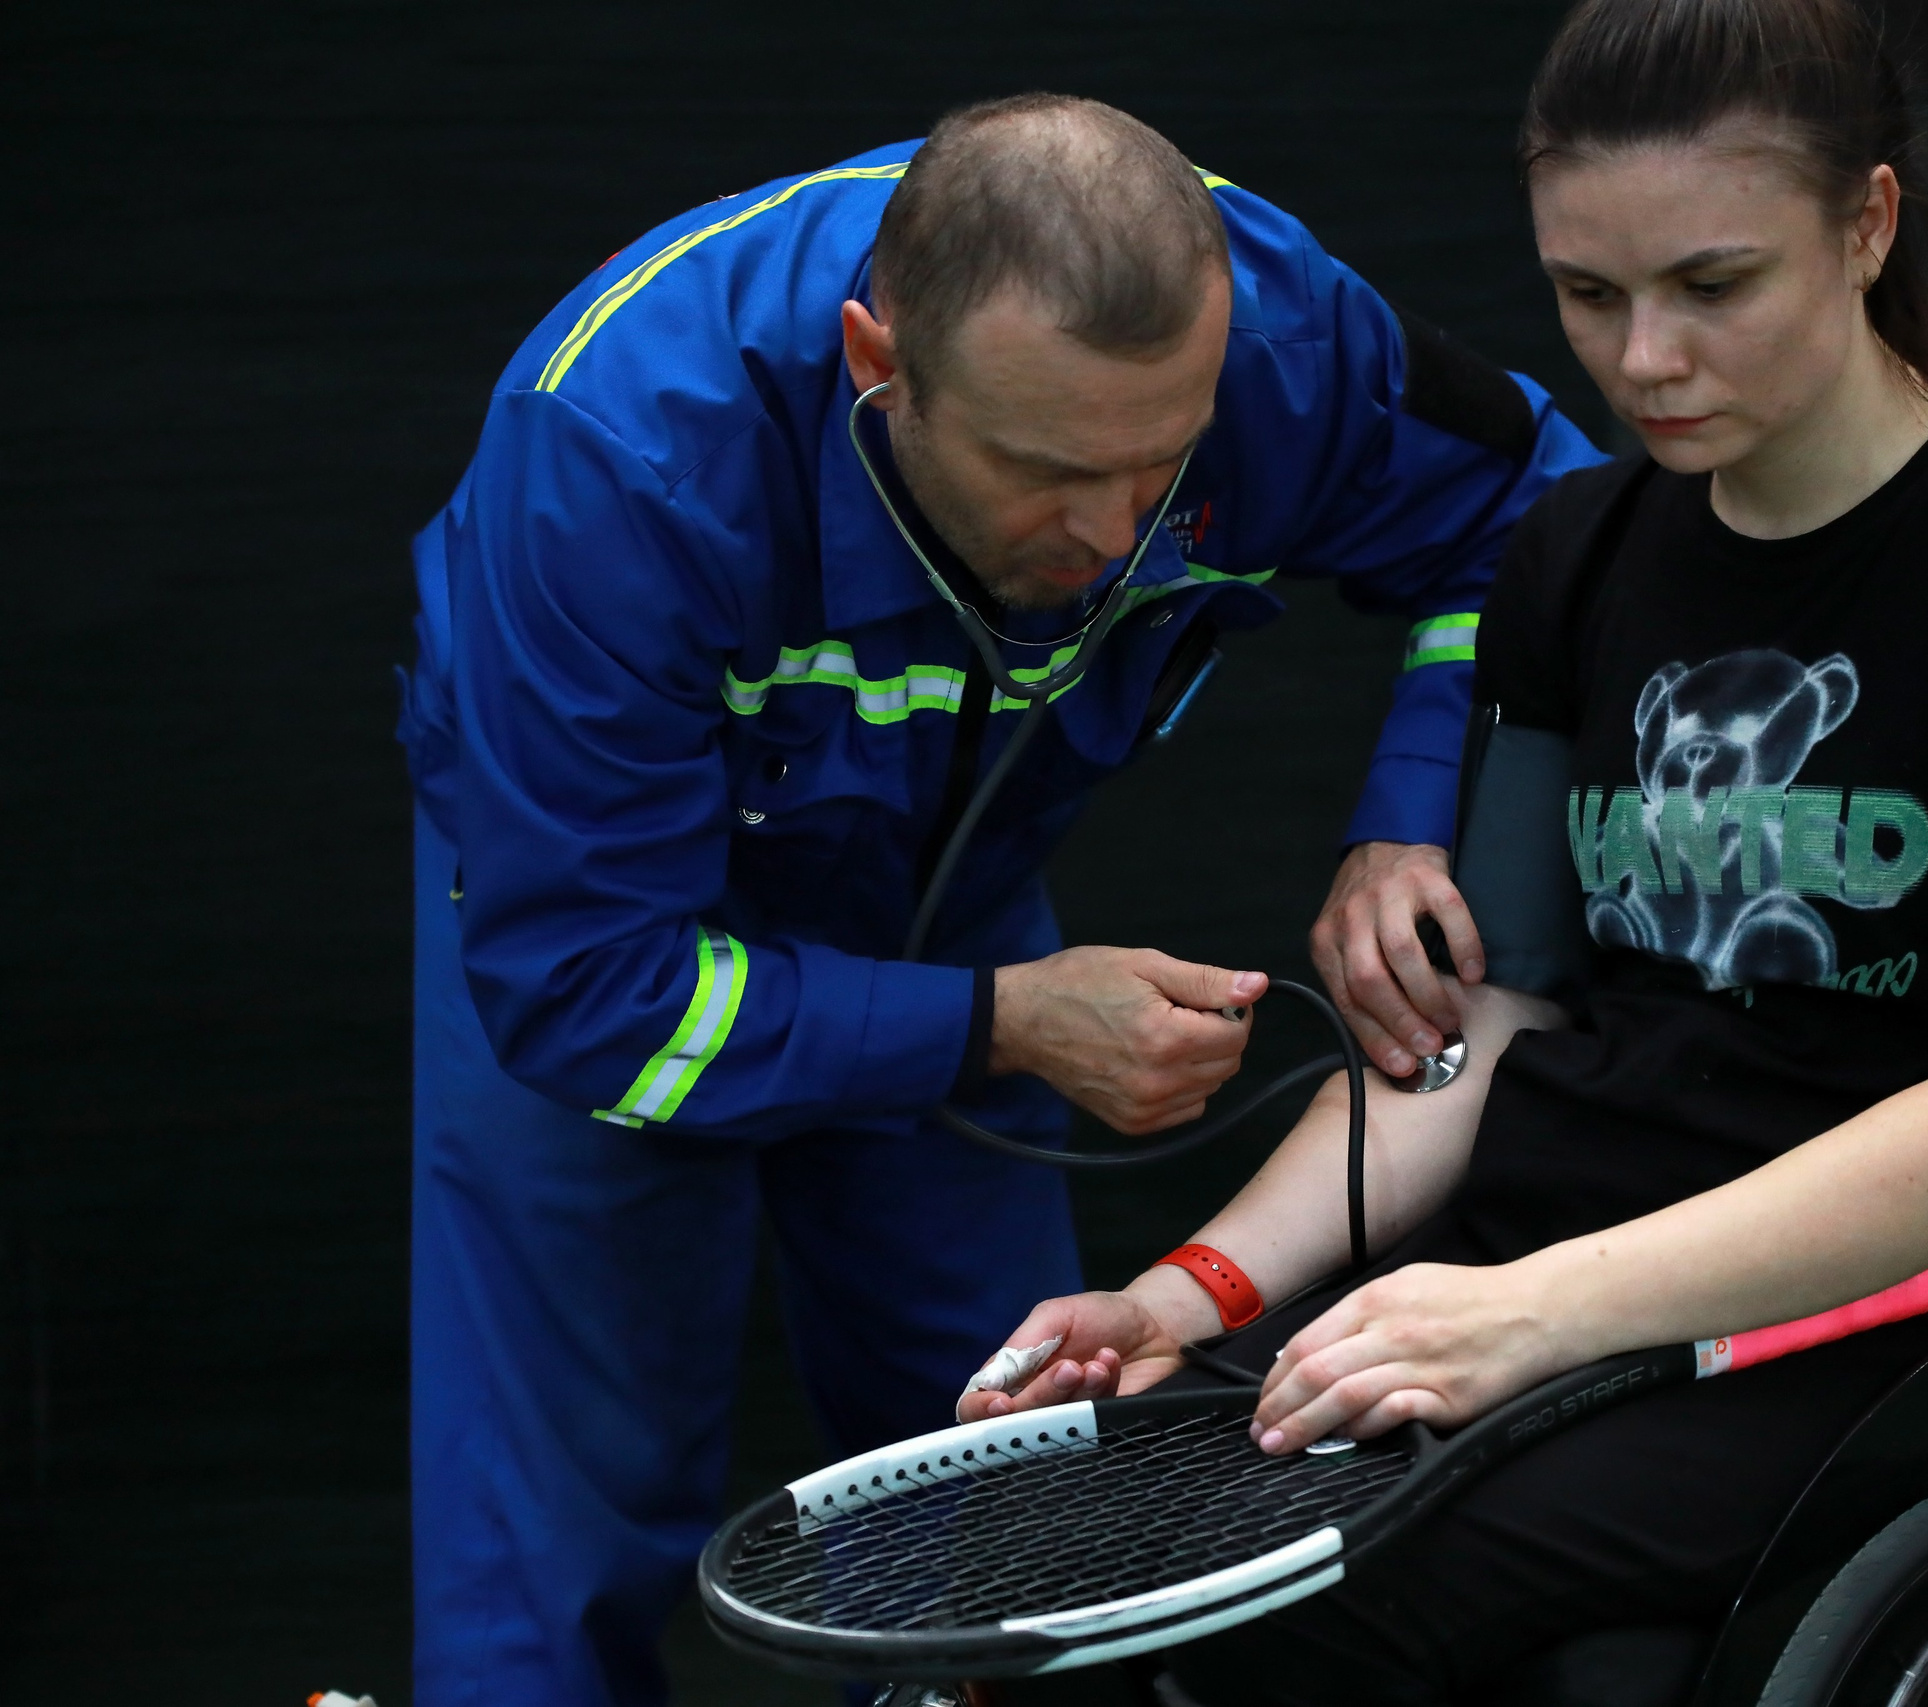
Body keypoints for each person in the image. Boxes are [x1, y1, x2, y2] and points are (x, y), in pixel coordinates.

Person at [958, 2, 1928, 1701]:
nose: (1643, 361)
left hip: (1887, 1331)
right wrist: (1188, 1296)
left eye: (1713, 286)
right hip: (1541, 1282)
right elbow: (1490, 1029)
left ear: (1867, 223)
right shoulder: (1571, 552)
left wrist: (1533, 1315)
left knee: (1299, 1597)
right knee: (1070, 1541)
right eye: (1588, 293)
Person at [396, 93, 1600, 1706]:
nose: (1112, 537)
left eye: (1163, 467)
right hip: (625, 945)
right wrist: (1000, 1026)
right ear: (877, 365)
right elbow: (582, 993)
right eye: (1049, 471)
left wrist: (1415, 818)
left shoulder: (1287, 335)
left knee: (995, 1482)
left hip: (954, 913)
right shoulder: (613, 455)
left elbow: (1542, 518)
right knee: (554, 1525)